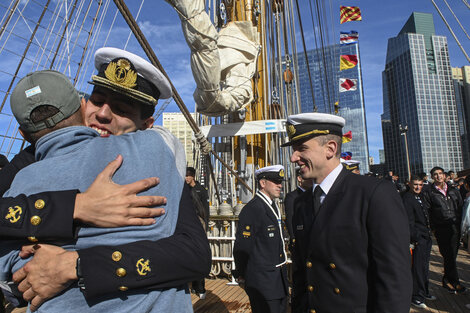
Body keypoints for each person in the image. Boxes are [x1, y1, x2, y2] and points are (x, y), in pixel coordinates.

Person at [1, 48, 210, 310]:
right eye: (97, 100)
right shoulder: (34, 158)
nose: (102, 114)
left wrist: (77, 265)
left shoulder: (158, 169)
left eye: (121, 109)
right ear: (82, 104)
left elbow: (194, 255)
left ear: (146, 125)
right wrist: (76, 207)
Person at [283, 112, 412, 313]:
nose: (293, 158)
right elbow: (302, 273)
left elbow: (394, 279)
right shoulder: (301, 204)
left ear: (330, 149)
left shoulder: (373, 194)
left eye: (301, 149)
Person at [233, 165, 289, 313]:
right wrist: (243, 274)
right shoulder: (253, 209)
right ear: (263, 183)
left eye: (280, 181)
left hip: (278, 280)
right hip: (263, 282)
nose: (280, 185)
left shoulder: (272, 206)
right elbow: (242, 248)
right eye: (275, 181)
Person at [422, 166, 465, 294]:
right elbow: (427, 212)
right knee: (448, 254)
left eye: (440, 173)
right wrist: (433, 228)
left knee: (452, 255)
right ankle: (454, 282)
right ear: (431, 177)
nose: (438, 176)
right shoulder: (429, 192)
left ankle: (447, 280)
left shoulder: (453, 190)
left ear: (445, 175)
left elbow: (460, 207)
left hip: (454, 226)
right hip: (441, 227)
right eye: (435, 174)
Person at [402, 175, 435, 309]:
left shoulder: (421, 196)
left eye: (420, 184)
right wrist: (416, 238)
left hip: (426, 236)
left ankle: (424, 291)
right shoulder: (407, 199)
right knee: (417, 269)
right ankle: (417, 296)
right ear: (409, 184)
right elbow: (408, 223)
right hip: (418, 239)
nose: (417, 187)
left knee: (424, 267)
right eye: (415, 184)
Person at [185, 166, 209, 299]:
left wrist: (206, 225)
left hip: (199, 224)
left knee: (200, 253)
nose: (186, 178)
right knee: (189, 254)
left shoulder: (201, 190)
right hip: (188, 225)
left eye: (188, 176)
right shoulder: (184, 190)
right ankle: (192, 285)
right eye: (185, 176)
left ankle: (200, 287)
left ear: (193, 176)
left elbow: (205, 209)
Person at [284, 167, 312, 247]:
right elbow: (290, 219)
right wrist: (294, 238)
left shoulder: (314, 195)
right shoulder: (292, 197)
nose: (311, 180)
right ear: (299, 178)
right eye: (308, 177)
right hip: (301, 239)